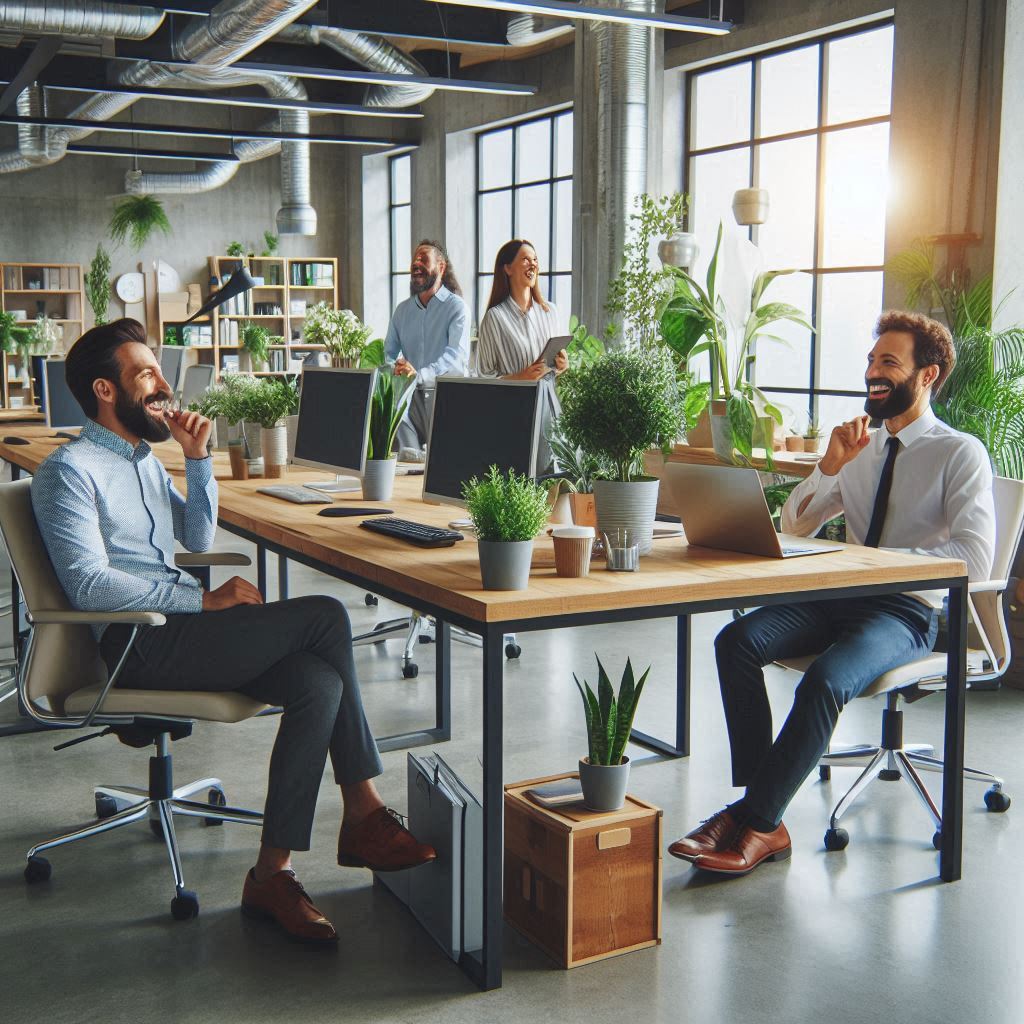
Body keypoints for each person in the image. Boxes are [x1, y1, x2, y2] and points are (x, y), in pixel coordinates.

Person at [31, 319, 436, 944]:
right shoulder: (70, 471)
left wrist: (196, 461)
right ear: (104, 391)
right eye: (145, 374)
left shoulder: (140, 459)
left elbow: (194, 539)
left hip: (176, 632)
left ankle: (272, 874)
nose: (163, 385)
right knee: (326, 615)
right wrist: (199, 597)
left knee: (316, 680)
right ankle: (363, 811)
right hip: (136, 645)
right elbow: (89, 585)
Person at [670, 311, 996, 877]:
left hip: (905, 610)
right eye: (871, 361)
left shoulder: (959, 453)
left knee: (825, 680)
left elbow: (974, 560)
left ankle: (753, 821)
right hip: (837, 596)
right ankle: (761, 810)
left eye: (888, 363)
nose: (873, 372)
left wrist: (878, 564)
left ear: (927, 376)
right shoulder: (858, 447)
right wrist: (827, 468)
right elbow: (794, 528)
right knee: (736, 641)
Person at [476, 239, 568, 472]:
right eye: (526, 259)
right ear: (507, 268)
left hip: (550, 409)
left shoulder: (550, 311)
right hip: (513, 415)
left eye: (535, 260)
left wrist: (561, 365)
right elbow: (482, 380)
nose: (533, 265)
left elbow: (555, 364)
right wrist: (520, 377)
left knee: (555, 477)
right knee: (523, 478)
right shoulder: (495, 318)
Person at [384, 240, 469, 453]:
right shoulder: (402, 311)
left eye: (423, 258)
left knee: (444, 460)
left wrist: (419, 374)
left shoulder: (457, 308)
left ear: (441, 267)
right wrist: (396, 368)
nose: (416, 263)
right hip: (408, 399)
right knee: (407, 462)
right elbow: (388, 353)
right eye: (415, 259)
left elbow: (455, 356)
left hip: (445, 398)